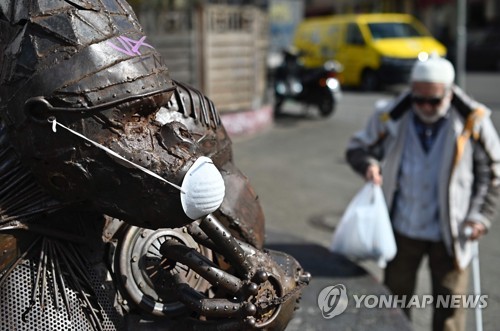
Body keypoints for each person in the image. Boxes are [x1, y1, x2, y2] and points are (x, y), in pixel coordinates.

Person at [0, 1, 308, 330]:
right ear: (47, 122)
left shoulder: (191, 122)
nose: (168, 135)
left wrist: (264, 301)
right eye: (132, 119)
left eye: (154, 109)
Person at [345, 53, 500, 331]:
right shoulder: (391, 114)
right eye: (419, 99)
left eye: (434, 100)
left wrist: (481, 216)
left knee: (450, 308)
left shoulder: (472, 120)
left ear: (450, 93)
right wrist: (369, 165)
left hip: (452, 232)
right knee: (393, 303)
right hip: (403, 228)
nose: (425, 106)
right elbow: (358, 148)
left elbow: (493, 171)